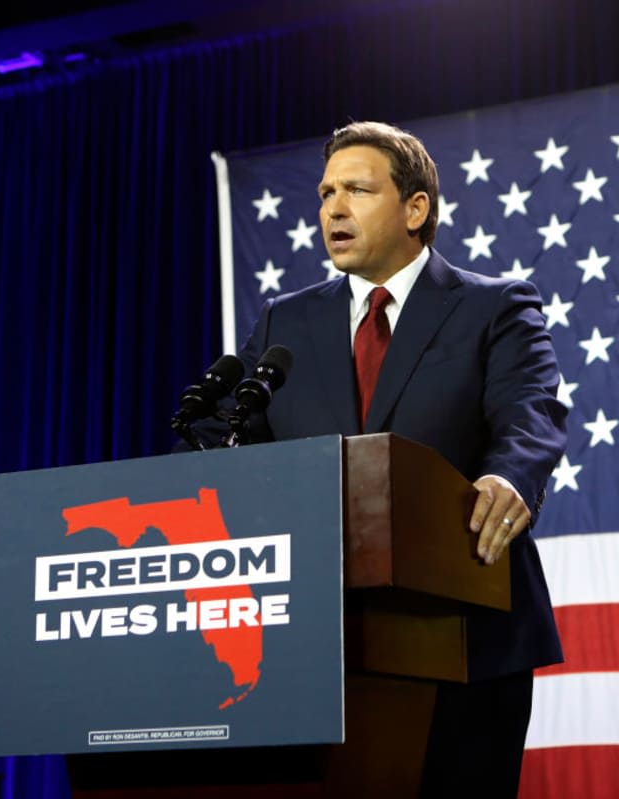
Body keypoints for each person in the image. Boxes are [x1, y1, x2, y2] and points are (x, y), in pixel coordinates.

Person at [221, 121, 568, 796]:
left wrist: (511, 475)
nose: (332, 209)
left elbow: (532, 413)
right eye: (325, 193)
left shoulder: (494, 306)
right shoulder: (282, 325)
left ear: (416, 209)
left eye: (356, 189)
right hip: (313, 644)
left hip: (466, 633)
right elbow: (222, 437)